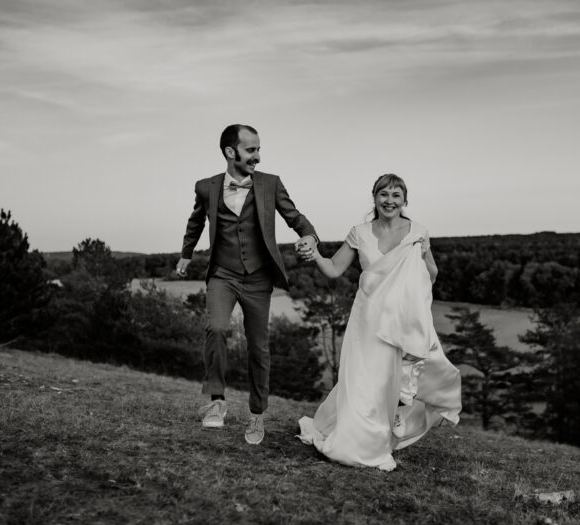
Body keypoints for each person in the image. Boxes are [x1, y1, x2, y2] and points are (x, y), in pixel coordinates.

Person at [296, 174, 461, 471]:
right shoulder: (359, 232)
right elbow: (334, 269)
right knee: (361, 381)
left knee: (389, 383)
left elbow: (432, 276)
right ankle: (358, 442)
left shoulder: (418, 232)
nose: (390, 200)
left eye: (396, 195)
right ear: (374, 198)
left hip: (401, 320)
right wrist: (315, 256)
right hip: (367, 319)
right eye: (384, 194)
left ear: (405, 201)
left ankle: (380, 437)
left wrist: (424, 256)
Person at [176, 124, 318, 445]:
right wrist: (186, 255)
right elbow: (195, 221)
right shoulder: (206, 187)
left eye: (258, 149)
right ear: (231, 152)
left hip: (258, 277)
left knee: (259, 346)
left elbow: (294, 216)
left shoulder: (270, 184)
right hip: (222, 275)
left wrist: (308, 235)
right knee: (217, 329)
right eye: (251, 149)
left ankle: (256, 415)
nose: (258, 155)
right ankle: (216, 400)